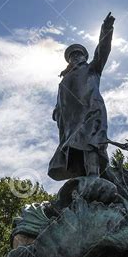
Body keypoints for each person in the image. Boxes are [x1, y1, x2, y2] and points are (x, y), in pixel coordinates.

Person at [48, 12, 115, 181]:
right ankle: (81, 179)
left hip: (91, 111)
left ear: (84, 56)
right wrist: (57, 112)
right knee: (74, 147)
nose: (75, 57)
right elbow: (60, 102)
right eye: (72, 56)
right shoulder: (64, 80)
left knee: (91, 142)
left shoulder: (92, 68)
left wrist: (106, 29)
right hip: (71, 120)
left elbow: (102, 50)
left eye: (78, 54)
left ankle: (94, 177)